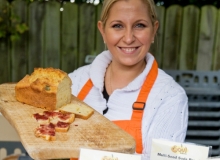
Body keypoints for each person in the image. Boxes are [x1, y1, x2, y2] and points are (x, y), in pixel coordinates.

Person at [68, 0, 188, 159]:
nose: (129, 38)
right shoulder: (74, 82)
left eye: (139, 25)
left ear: (154, 30)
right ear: (103, 30)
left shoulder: (170, 97)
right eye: (118, 26)